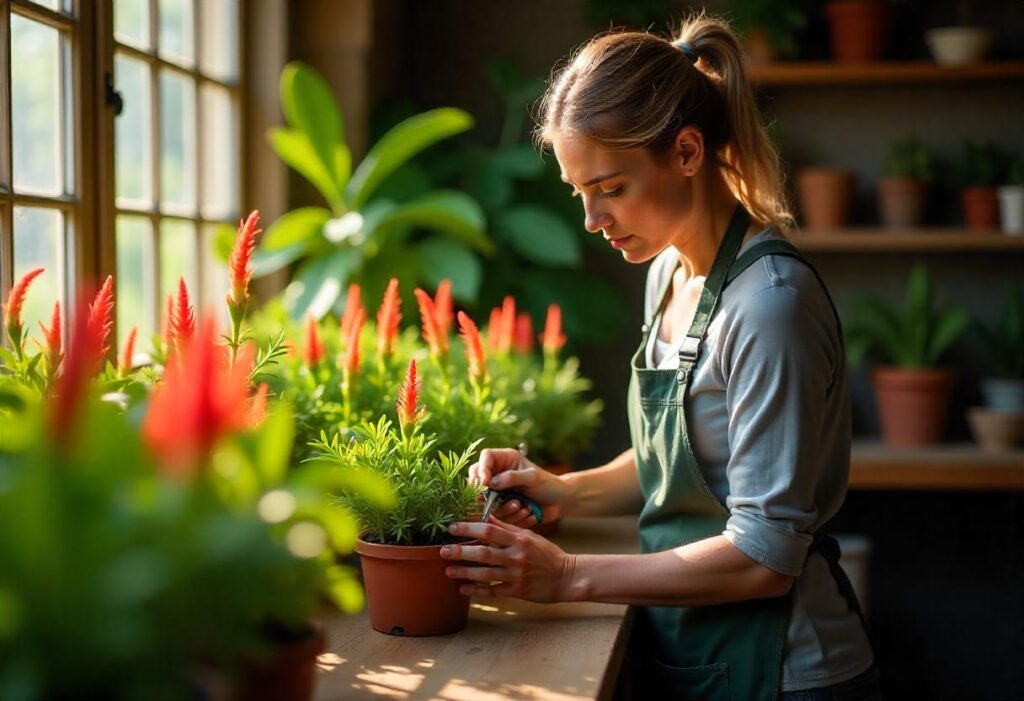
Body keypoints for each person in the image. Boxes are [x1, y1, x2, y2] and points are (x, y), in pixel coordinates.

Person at [439, 13, 879, 701]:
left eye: (611, 188)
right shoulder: (668, 273)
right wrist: (561, 487)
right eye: (579, 193)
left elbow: (764, 556)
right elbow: (681, 464)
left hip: (789, 673)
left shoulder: (769, 307)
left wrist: (568, 575)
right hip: (693, 650)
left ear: (686, 152)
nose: (592, 220)